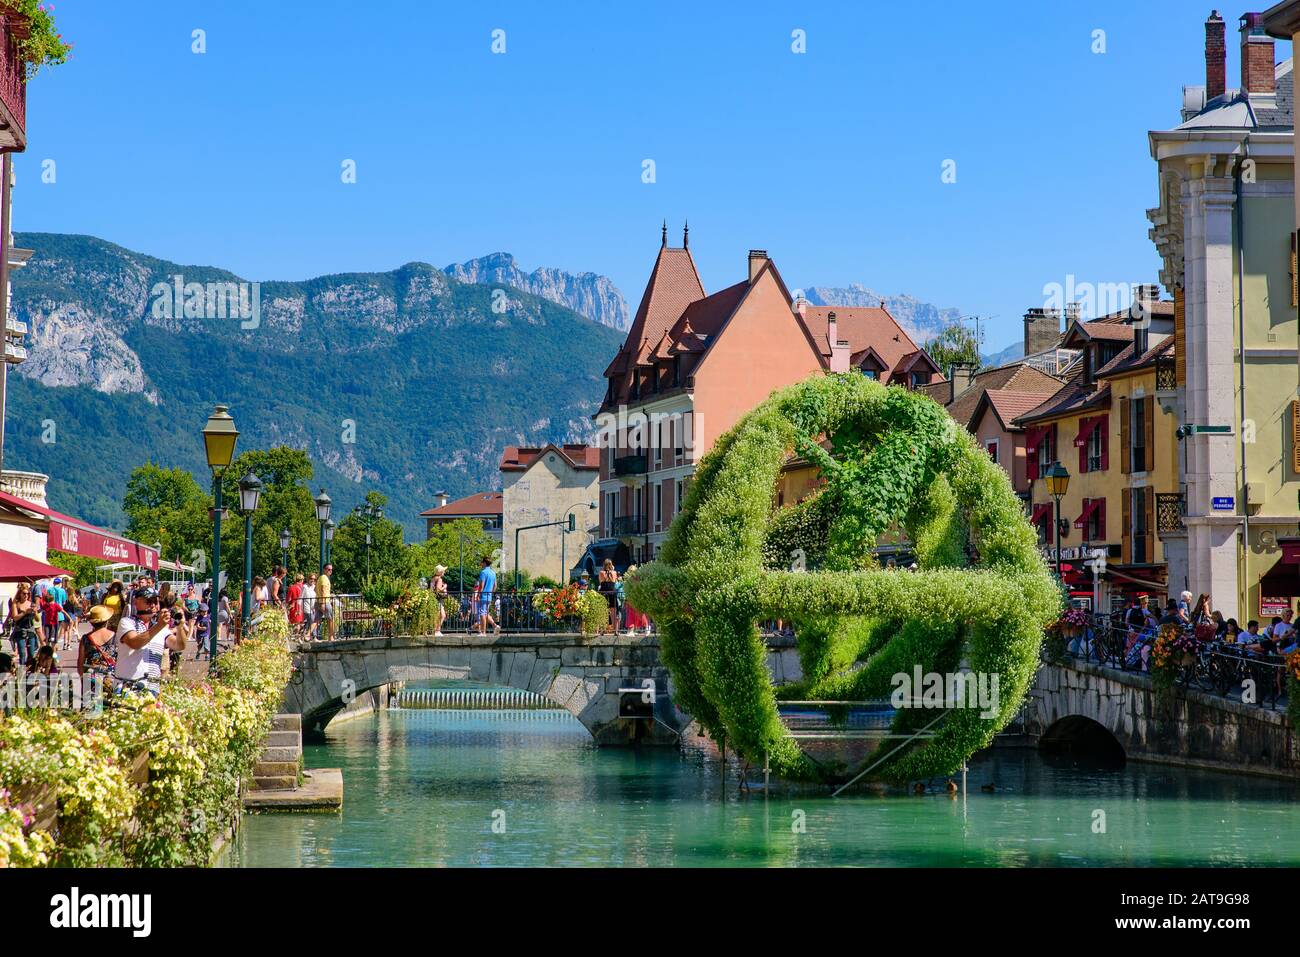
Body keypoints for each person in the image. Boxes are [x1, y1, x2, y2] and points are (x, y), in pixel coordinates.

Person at [114, 589, 185, 695]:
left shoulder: (160, 628)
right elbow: (135, 643)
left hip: (152, 688)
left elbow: (179, 645)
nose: (153, 605)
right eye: (149, 601)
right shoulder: (127, 622)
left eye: (156, 602)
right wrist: (159, 625)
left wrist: (180, 627)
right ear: (135, 602)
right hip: (127, 685)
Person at [6, 583, 40, 668]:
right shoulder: (16, 604)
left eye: (28, 593)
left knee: (31, 653)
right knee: (22, 653)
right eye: (24, 593)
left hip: (30, 630)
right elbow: (15, 618)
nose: (26, 595)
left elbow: (37, 619)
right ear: (20, 594)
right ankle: (22, 672)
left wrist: (35, 612)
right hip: (20, 630)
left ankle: (30, 671)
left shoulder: (31, 604)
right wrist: (24, 612)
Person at [77, 605, 116, 678]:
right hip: (110, 678)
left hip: (90, 678)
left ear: (92, 623)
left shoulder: (85, 638)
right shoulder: (115, 636)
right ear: (106, 621)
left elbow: (80, 662)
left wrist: (82, 677)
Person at [473, 557, 498, 635]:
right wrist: (491, 593)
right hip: (489, 596)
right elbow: (495, 586)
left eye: (482, 562)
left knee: (482, 614)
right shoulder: (493, 573)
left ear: (484, 563)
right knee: (486, 613)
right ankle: (494, 626)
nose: (481, 564)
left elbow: (481, 585)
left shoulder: (483, 572)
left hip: (483, 595)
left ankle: (483, 632)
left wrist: (478, 595)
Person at [597, 559, 619, 635]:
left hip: (604, 592)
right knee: (613, 612)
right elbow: (615, 581)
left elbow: (600, 581)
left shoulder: (601, 572)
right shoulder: (614, 572)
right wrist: (612, 570)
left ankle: (603, 630)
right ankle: (615, 630)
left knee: (603, 611)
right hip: (612, 592)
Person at [317, 564, 335, 641]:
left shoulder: (321, 578)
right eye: (328, 569)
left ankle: (307, 635)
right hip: (325, 602)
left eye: (331, 569)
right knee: (330, 619)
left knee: (316, 620)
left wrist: (329, 594)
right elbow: (323, 591)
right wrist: (323, 603)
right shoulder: (324, 578)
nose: (330, 571)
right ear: (324, 570)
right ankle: (331, 637)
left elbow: (316, 590)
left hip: (319, 601)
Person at [430, 564, 448, 636]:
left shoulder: (433, 578)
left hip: (434, 599)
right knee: (442, 615)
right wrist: (444, 587)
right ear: (440, 572)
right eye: (443, 571)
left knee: (438, 615)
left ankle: (437, 630)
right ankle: (437, 631)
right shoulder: (439, 579)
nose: (444, 572)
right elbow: (438, 589)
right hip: (438, 599)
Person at [301, 573, 318, 641]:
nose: (313, 580)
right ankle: (314, 637)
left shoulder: (315, 587)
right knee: (313, 621)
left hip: (313, 608)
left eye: (314, 579)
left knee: (308, 623)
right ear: (308, 579)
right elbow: (300, 597)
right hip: (306, 607)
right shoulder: (305, 587)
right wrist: (299, 608)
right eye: (311, 578)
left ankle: (302, 636)